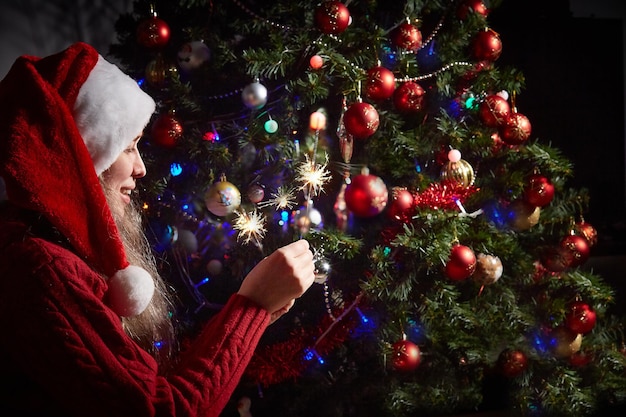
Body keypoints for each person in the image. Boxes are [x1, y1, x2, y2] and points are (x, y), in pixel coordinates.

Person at [0, 42, 315, 417]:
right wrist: (252, 306)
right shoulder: (42, 269)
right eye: (128, 146)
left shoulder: (59, 253)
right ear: (80, 155)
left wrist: (257, 309)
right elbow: (161, 410)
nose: (141, 169)